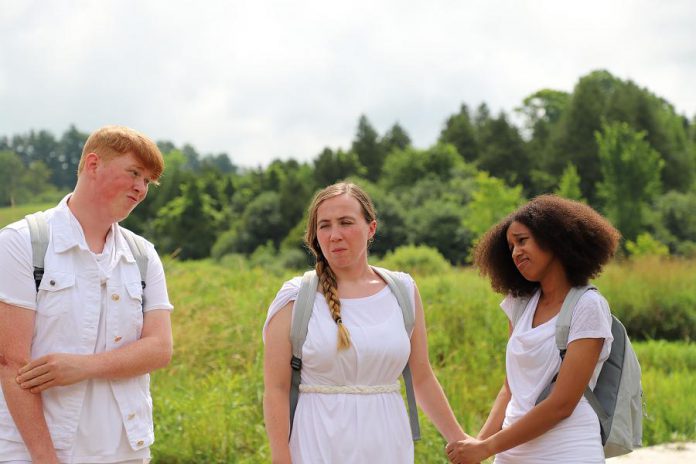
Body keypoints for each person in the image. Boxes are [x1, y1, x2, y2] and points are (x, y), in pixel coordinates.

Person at [0, 125, 174, 463]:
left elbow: (160, 349)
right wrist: (44, 457)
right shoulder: (21, 243)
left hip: (124, 449)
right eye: (134, 173)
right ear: (93, 165)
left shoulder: (143, 255)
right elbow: (10, 363)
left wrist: (83, 367)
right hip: (33, 449)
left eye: (148, 181)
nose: (141, 188)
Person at [263, 182, 468, 463]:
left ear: (371, 228)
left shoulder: (403, 290)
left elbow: (421, 376)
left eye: (346, 222)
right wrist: (281, 458)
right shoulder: (295, 298)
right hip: (317, 443)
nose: (335, 235)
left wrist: (459, 440)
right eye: (324, 225)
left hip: (387, 442)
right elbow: (276, 388)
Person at [445, 194, 621, 464]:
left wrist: (487, 446)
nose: (515, 252)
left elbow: (562, 404)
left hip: (567, 451)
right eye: (510, 245)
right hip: (509, 453)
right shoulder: (519, 304)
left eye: (522, 240)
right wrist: (478, 446)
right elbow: (509, 388)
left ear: (553, 239)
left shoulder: (588, 306)